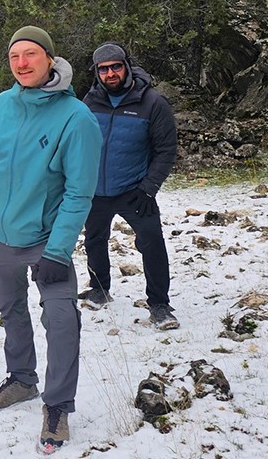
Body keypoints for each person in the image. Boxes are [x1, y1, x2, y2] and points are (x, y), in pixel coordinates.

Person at [0, 26, 101, 455]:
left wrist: (59, 251)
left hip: (46, 239)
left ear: (50, 58)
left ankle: (57, 405)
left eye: (30, 55)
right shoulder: (2, 106)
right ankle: (22, 379)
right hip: (0, 235)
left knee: (61, 321)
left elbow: (80, 193)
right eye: (14, 57)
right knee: (11, 310)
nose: (22, 64)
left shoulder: (77, 118)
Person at [80, 42, 179, 329]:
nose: (110, 73)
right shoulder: (89, 102)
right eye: (103, 69)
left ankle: (159, 304)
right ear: (97, 72)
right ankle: (99, 288)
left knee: (152, 243)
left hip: (135, 191)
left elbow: (166, 149)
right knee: (94, 240)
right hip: (96, 190)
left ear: (127, 66)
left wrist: (149, 187)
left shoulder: (152, 103)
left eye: (116, 67)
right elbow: (79, 143)